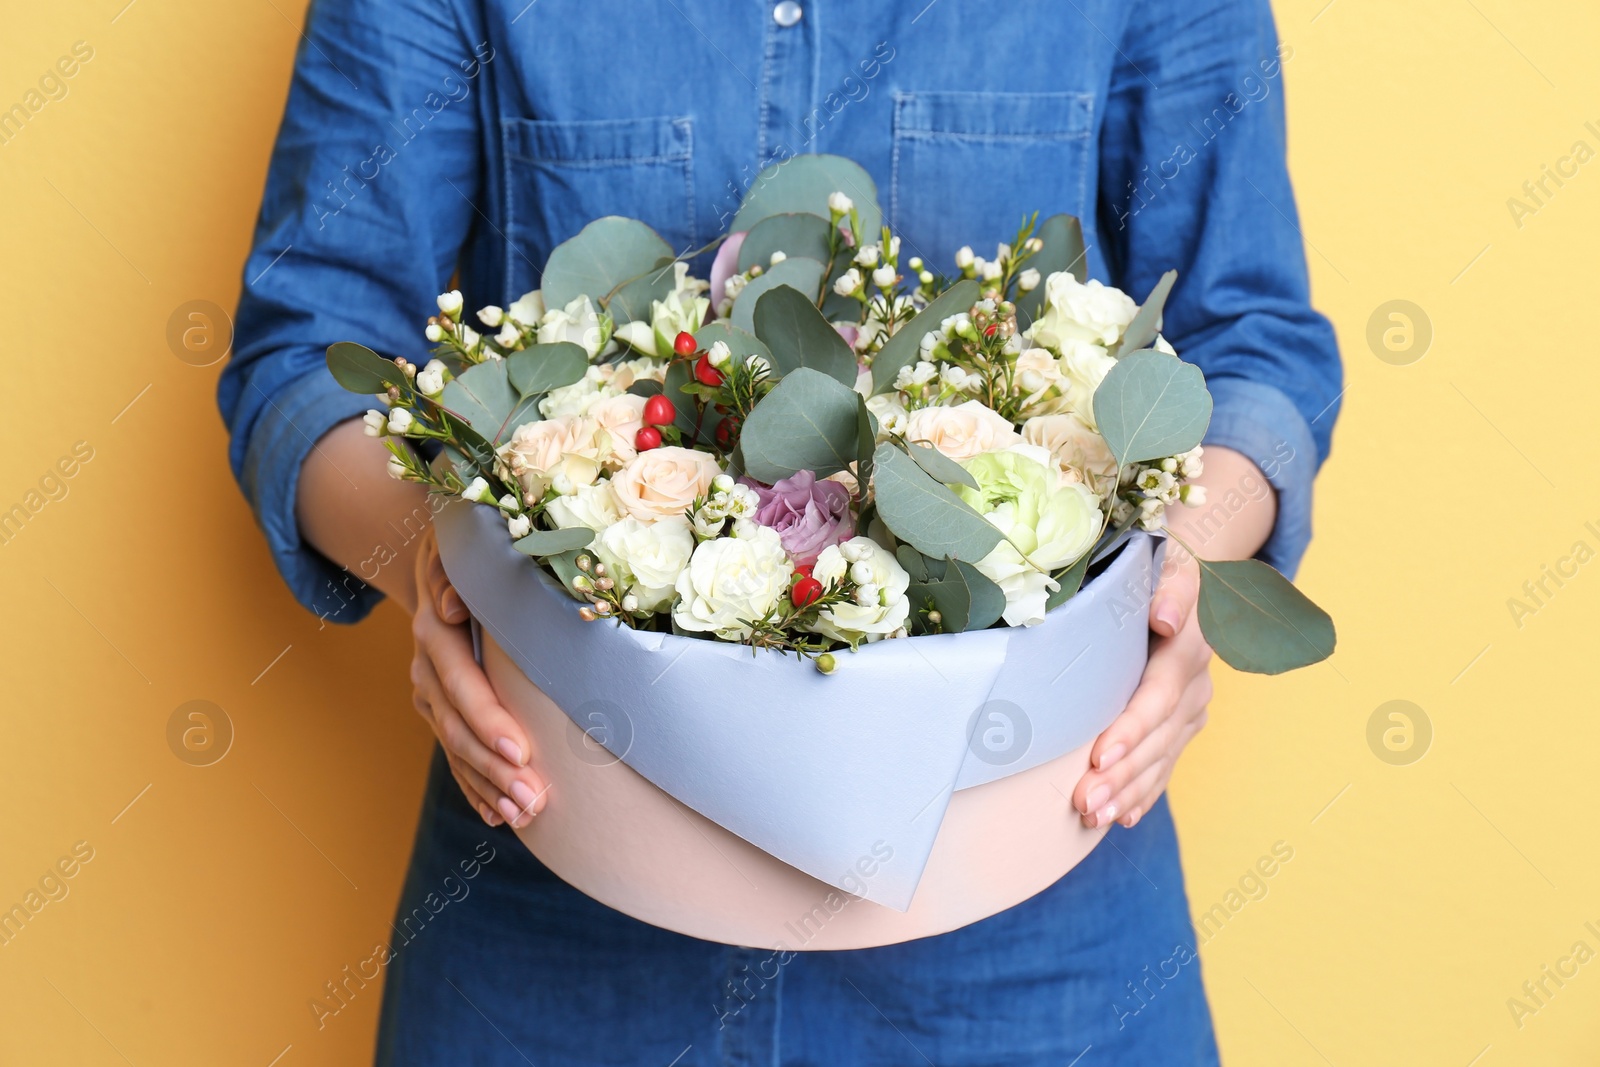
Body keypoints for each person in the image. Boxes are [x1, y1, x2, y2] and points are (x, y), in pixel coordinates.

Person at [220, 0, 1341, 1062]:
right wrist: (446, 571)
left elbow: (1251, 344)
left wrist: (1183, 572)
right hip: (556, 912)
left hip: (1033, 926)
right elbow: (304, 355)